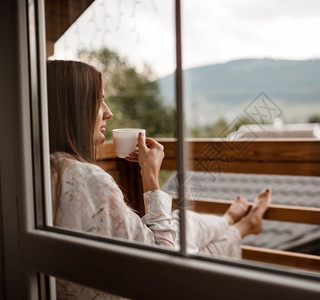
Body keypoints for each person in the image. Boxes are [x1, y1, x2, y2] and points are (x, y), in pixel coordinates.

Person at [47, 60, 271, 298]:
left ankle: (234, 223)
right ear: (72, 108)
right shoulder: (89, 180)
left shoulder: (39, 168)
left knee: (198, 243)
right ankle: (237, 224)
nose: (108, 112)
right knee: (184, 223)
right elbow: (165, 260)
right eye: (98, 100)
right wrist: (150, 174)